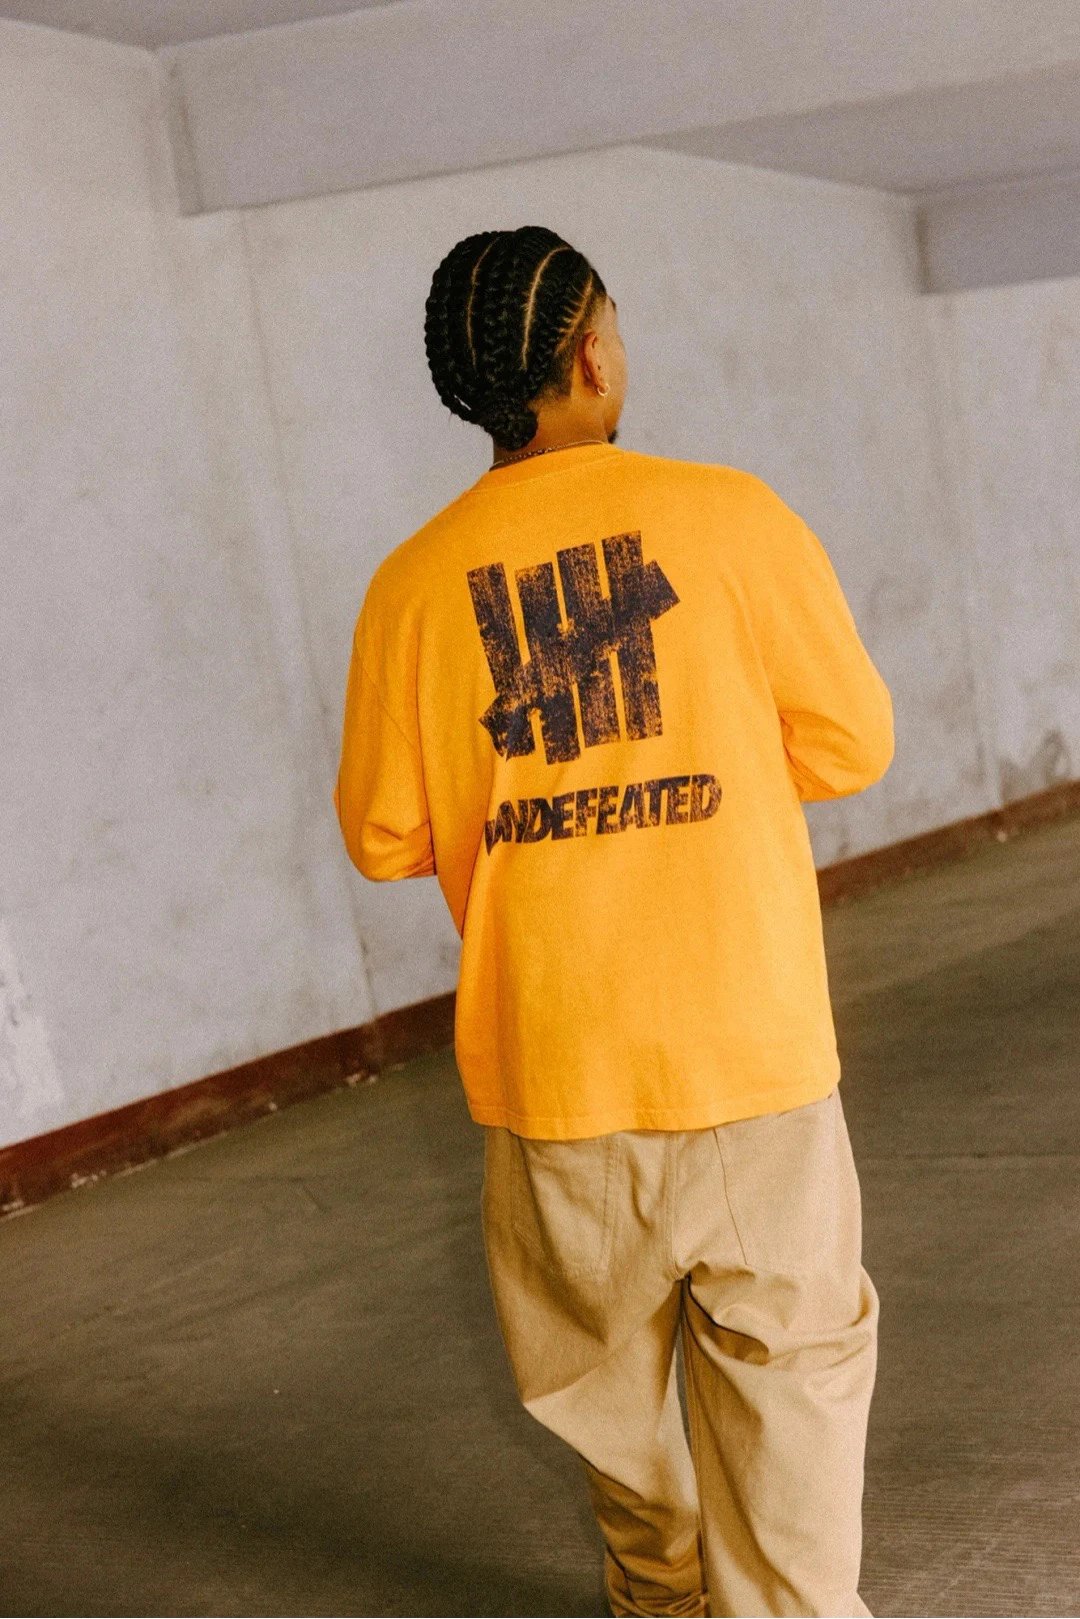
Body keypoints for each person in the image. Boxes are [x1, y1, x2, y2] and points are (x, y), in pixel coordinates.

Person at [333, 225, 894, 1617]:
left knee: (607, 1401)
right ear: (591, 356)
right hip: (749, 1054)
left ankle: (659, 1594)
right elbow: (851, 745)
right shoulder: (733, 517)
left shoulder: (412, 585)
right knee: (793, 1390)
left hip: (554, 1073)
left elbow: (384, 836)